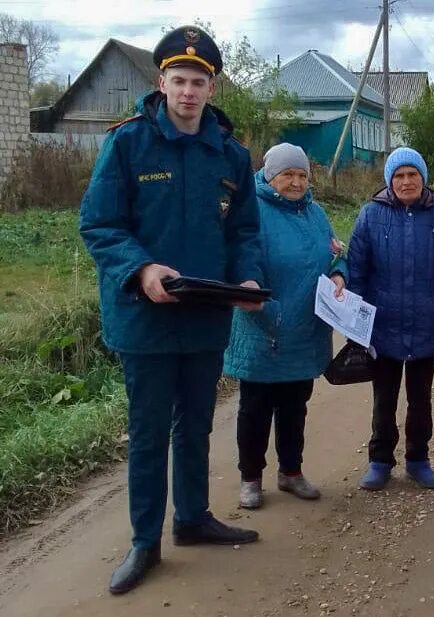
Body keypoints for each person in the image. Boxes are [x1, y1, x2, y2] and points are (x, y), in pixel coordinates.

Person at [79, 26, 265, 595]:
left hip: (205, 316)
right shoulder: (128, 144)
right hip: (145, 317)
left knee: (197, 424)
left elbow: (245, 230)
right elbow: (99, 224)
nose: (188, 91)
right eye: (178, 80)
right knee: (149, 430)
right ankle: (144, 542)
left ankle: (192, 518)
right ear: (160, 82)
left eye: (199, 81)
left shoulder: (230, 154)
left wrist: (248, 276)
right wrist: (141, 268)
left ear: (213, 87)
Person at [224, 143, 347, 508]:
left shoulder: (316, 212)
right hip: (264, 329)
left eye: (301, 176)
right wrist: (269, 313)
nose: (295, 183)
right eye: (287, 175)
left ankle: (291, 472)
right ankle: (250, 478)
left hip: (305, 330)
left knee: (295, 407)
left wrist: (340, 273)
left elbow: (336, 251)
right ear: (268, 175)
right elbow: (242, 264)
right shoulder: (251, 212)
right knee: (255, 409)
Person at [347, 147, 434, 491]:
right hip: (381, 328)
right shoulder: (370, 216)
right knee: (384, 399)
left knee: (421, 398)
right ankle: (380, 460)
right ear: (389, 181)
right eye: (399, 176)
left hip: (426, 326)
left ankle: (418, 459)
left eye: (412, 174)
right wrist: (360, 318)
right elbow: (356, 270)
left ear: (423, 179)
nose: (406, 181)